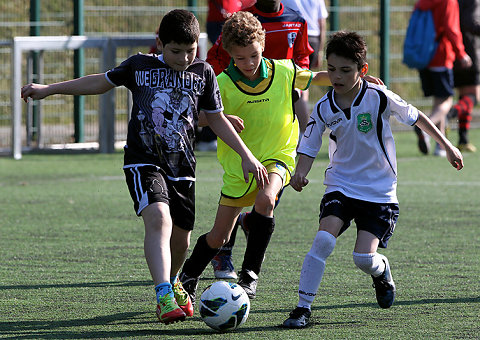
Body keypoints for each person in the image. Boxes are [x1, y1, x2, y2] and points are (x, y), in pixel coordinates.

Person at [20, 9, 268, 325]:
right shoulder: (139, 65)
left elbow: (215, 118)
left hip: (183, 168)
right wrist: (49, 88)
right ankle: (164, 295)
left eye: (190, 50)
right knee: (159, 219)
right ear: (159, 43)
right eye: (175, 51)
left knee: (182, 243)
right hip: (143, 162)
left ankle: (175, 281)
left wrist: (246, 155)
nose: (183, 58)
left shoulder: (203, 73)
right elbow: (100, 82)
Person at [282, 31, 464, 328]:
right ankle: (302, 308)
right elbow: (310, 144)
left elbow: (416, 116)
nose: (337, 76)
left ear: (362, 71)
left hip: (379, 191)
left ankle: (381, 272)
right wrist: (301, 172)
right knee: (323, 241)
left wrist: (448, 146)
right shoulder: (323, 107)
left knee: (362, 259)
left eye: (346, 70)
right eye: (332, 69)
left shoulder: (378, 97)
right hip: (341, 183)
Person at [179, 11, 335, 304]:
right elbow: (196, 117)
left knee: (266, 199)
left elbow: (319, 78)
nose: (249, 64)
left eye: (254, 56)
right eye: (240, 59)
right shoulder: (221, 84)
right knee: (218, 238)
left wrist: (354, 79)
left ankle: (249, 276)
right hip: (240, 168)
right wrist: (221, 117)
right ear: (229, 55)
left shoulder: (286, 71)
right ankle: (187, 277)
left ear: (262, 46)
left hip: (279, 156)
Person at [206, 0, 316, 279]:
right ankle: (223, 253)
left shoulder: (296, 18)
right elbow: (216, 58)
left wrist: (293, 84)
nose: (249, 60)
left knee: (267, 197)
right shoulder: (241, 23)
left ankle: (248, 258)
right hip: (242, 111)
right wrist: (222, 99)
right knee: (239, 195)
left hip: (277, 104)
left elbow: (303, 58)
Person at [413, 0, 472, 157]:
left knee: (438, 101)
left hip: (424, 56)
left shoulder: (422, 1)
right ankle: (423, 127)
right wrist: (461, 53)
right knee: (446, 101)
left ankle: (441, 146)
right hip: (441, 55)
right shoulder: (448, 1)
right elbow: (451, 28)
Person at [449, 0, 480, 152]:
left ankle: (463, 139)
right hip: (468, 52)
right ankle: (449, 114)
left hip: (454, 51)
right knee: (474, 96)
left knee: (464, 95)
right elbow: (468, 22)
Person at [282, 0, 328, 69]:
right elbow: (322, 24)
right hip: (313, 39)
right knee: (307, 75)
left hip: (294, 36)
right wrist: (320, 51)